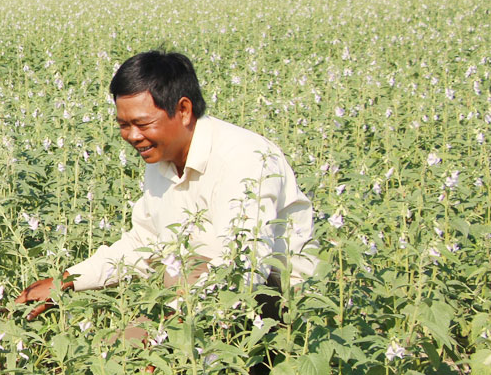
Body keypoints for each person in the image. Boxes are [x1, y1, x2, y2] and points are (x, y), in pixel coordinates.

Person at [16, 50, 316, 321]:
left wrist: (167, 328)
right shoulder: (162, 159)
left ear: (183, 110)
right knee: (134, 329)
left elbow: (246, 266)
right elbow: (143, 243)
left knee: (165, 297)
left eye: (143, 124)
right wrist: (67, 280)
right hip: (197, 286)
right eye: (123, 125)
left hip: (277, 298)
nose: (133, 136)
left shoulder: (243, 158)